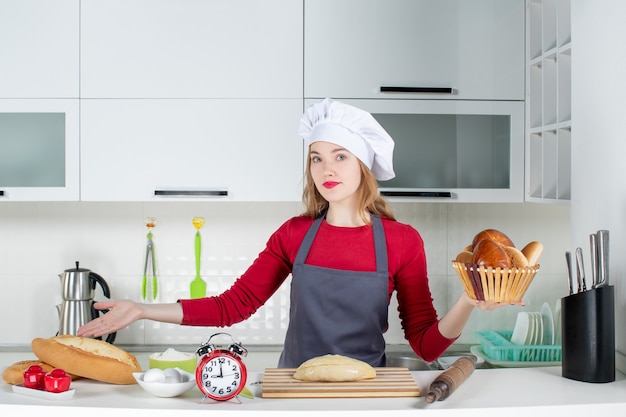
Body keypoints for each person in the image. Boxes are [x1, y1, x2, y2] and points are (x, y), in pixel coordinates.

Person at [78, 98, 516, 367]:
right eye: (316, 157)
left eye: (341, 157)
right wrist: (140, 310)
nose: (326, 168)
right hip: (295, 385)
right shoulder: (293, 234)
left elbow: (425, 344)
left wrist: (469, 300)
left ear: (363, 165)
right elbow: (233, 306)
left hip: (366, 390)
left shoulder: (402, 242)